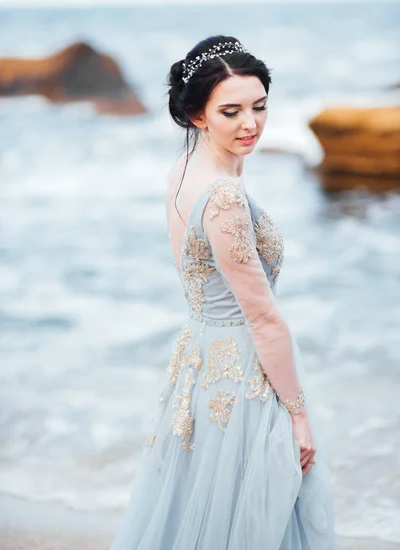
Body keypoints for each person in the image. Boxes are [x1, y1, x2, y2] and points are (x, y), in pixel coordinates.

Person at [108, 35, 336, 550]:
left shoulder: (184, 169)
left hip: (200, 362)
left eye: (259, 107)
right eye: (230, 111)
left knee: (201, 513)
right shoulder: (224, 196)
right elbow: (263, 318)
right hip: (244, 380)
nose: (250, 124)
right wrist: (298, 415)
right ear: (197, 116)